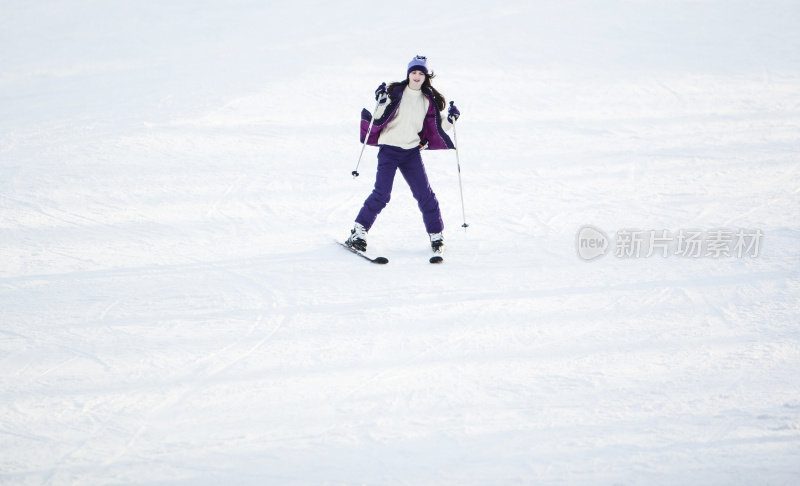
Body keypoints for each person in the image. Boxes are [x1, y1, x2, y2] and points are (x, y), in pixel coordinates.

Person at [346, 55, 461, 260]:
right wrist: (381, 98)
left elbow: (436, 127)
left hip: (410, 152)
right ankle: (358, 231)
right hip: (389, 150)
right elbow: (379, 114)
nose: (416, 76)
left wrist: (451, 119)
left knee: (424, 194)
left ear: (426, 77)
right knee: (382, 194)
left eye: (421, 73)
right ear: (408, 74)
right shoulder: (396, 94)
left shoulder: (428, 101)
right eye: (413, 72)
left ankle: (436, 235)